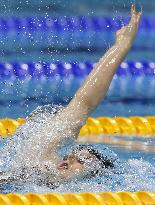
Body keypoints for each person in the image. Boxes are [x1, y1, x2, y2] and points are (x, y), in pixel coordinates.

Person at [0, 5, 141, 191]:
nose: (67, 161)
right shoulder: (37, 158)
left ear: (91, 179)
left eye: (80, 161)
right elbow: (84, 103)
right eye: (68, 156)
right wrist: (121, 46)